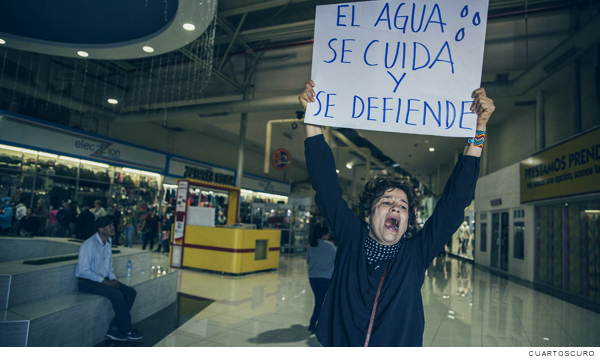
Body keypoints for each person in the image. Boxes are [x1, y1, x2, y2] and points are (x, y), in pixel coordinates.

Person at [299, 80, 495, 347]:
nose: (395, 207)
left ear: (406, 222)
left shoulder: (415, 254)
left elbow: (453, 204)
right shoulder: (350, 237)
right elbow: (326, 186)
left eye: (402, 206)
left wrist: (479, 130)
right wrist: (312, 118)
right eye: (386, 202)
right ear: (367, 215)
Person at [75, 216, 143, 341]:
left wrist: (113, 279)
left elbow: (109, 265)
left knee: (130, 292)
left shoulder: (108, 241)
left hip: (103, 278)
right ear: (101, 229)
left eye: (112, 225)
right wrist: (105, 282)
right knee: (117, 294)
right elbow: (83, 271)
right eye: (110, 226)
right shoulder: (88, 245)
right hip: (87, 281)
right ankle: (127, 330)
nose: (113, 228)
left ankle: (115, 328)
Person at [306, 223, 336, 333]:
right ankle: (313, 323)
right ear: (324, 235)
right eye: (327, 233)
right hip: (326, 278)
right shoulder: (330, 246)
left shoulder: (311, 245)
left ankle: (319, 322)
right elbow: (336, 260)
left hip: (313, 278)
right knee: (320, 302)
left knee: (319, 301)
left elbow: (308, 261)